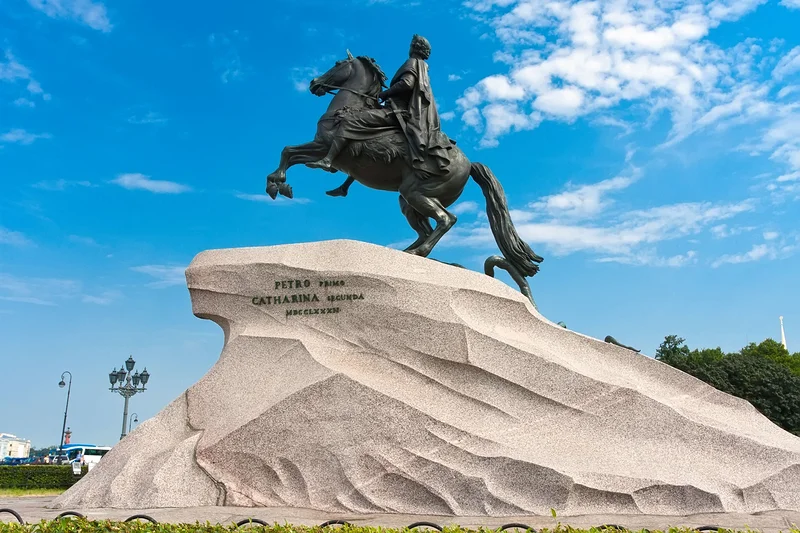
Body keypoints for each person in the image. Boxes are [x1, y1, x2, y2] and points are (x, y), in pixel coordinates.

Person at [309, 34, 453, 196]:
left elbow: (407, 83)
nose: (410, 47)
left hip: (399, 112)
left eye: (411, 44)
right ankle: (345, 186)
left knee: (351, 121)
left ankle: (328, 160)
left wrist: (385, 94)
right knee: (366, 137)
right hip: (406, 111)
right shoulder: (423, 67)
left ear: (414, 47)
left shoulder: (412, 63)